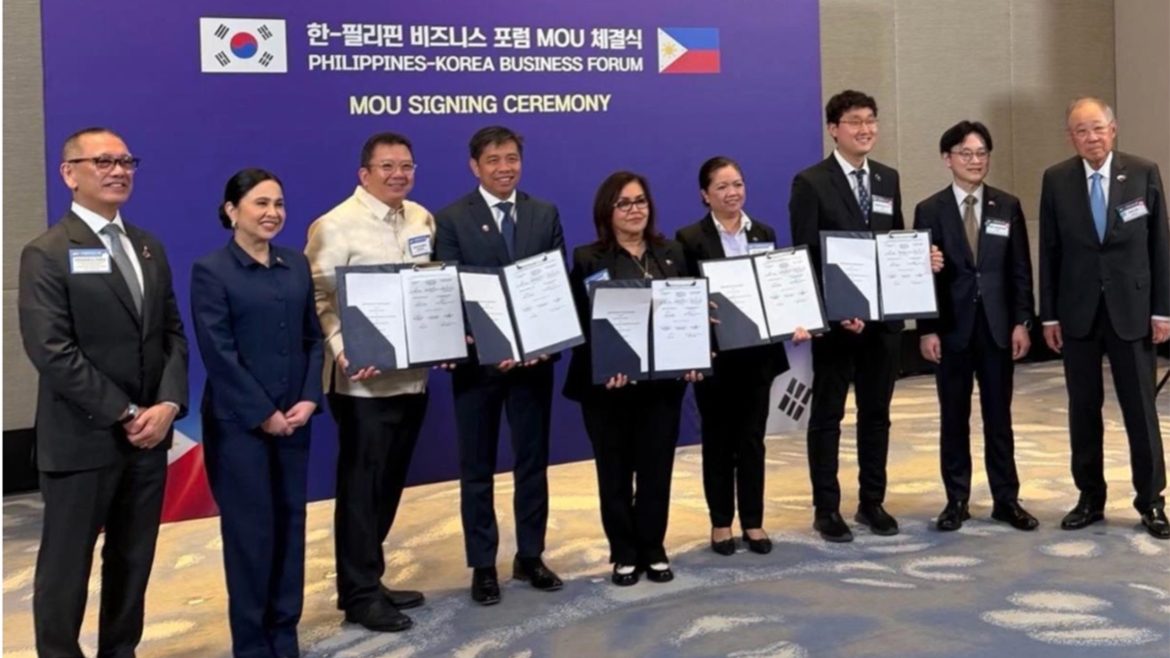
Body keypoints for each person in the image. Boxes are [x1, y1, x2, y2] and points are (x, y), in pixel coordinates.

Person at [18, 127, 188, 657]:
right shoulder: (46, 252)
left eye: (126, 161)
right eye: (103, 161)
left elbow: (172, 334)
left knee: (132, 561)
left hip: (149, 438)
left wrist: (168, 405)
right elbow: (52, 351)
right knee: (66, 569)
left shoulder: (148, 246)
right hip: (82, 439)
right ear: (69, 174)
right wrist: (127, 411)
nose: (118, 171)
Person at [789, 90, 943, 543]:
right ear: (833, 129)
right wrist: (836, 311)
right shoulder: (810, 182)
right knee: (828, 416)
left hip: (882, 323)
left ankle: (872, 501)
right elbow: (807, 256)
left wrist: (920, 260)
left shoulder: (886, 178)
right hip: (837, 325)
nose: (865, 129)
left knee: (877, 414)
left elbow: (892, 243)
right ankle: (826, 508)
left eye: (871, 120)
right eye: (855, 121)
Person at [305, 132, 435, 631]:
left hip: (412, 379)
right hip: (361, 385)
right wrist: (345, 350)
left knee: (389, 484)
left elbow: (429, 291)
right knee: (361, 488)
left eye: (407, 166)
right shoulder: (335, 226)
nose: (399, 174)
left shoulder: (422, 218)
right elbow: (319, 300)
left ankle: (370, 577)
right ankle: (358, 595)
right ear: (365, 174)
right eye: (387, 166)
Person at [191, 169, 323, 657]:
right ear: (232, 211)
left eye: (279, 204)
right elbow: (218, 353)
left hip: (295, 420)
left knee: (290, 526)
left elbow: (313, 338)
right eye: (260, 203)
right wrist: (264, 412)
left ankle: (284, 635)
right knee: (250, 535)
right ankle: (251, 644)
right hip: (240, 426)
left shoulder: (295, 264)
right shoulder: (211, 270)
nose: (272, 213)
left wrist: (309, 397)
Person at [435, 125, 566, 604]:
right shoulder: (451, 219)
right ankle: (483, 565)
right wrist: (491, 345)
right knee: (477, 468)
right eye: (493, 160)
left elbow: (553, 285)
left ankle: (530, 555)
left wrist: (544, 342)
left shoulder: (543, 213)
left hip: (534, 363)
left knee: (533, 462)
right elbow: (451, 291)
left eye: (511, 158)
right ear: (475, 166)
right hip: (479, 368)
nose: (504, 168)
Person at [1039, 97, 1170, 540]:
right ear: (1070, 137)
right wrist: (1049, 316)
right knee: (1083, 408)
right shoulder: (1056, 179)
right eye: (1081, 130)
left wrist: (1162, 310)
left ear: (1113, 130)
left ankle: (1151, 501)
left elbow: (1159, 245)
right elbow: (1050, 250)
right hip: (1077, 312)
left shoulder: (1143, 172)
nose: (1091, 137)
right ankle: (1089, 497)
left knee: (1140, 409)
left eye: (1097, 128)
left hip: (1132, 311)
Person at [564, 171, 703, 585]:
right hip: (608, 389)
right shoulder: (588, 258)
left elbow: (689, 313)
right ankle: (624, 552)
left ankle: (653, 547)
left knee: (657, 469)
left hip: (661, 387)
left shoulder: (672, 253)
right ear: (606, 211)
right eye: (623, 203)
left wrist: (693, 356)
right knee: (615, 472)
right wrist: (605, 367)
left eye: (640, 200)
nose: (634, 209)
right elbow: (581, 325)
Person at [675, 156, 810, 555]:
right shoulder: (689, 239)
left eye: (737, 184)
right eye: (721, 187)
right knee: (718, 441)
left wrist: (795, 319)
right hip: (716, 356)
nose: (732, 193)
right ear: (705, 195)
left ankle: (753, 520)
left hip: (757, 356)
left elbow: (778, 289)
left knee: (752, 441)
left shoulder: (763, 232)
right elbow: (684, 297)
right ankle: (721, 523)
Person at [914, 122, 1038, 532]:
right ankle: (956, 500)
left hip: (998, 327)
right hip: (951, 329)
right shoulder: (930, 209)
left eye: (982, 153)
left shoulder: (1007, 205)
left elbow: (1020, 269)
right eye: (965, 153)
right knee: (954, 416)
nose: (975, 161)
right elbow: (922, 276)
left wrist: (1022, 321)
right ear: (947, 159)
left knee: (999, 416)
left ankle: (1006, 499)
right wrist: (926, 329)